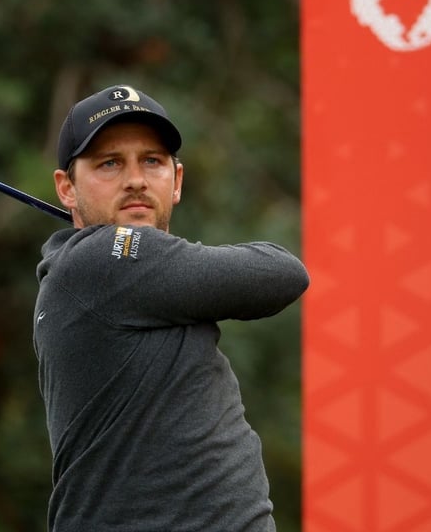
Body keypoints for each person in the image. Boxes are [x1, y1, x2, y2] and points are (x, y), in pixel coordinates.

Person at [33, 83, 309, 531]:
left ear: (176, 180)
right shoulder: (97, 261)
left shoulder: (92, 273)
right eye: (109, 163)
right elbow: (280, 272)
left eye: (152, 161)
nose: (135, 179)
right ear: (67, 188)